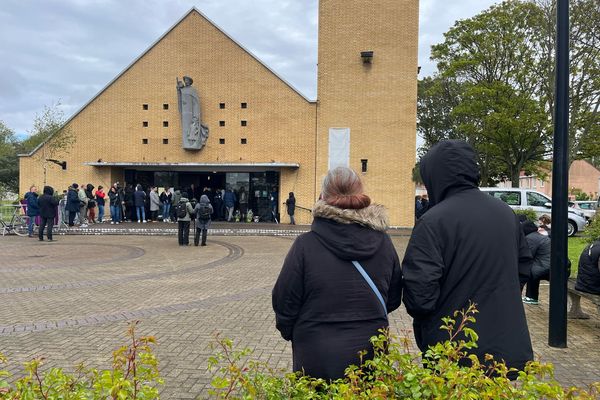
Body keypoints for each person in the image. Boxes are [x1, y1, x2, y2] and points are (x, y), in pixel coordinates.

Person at [401, 140, 533, 378]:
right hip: (504, 344)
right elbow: (524, 267)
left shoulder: (432, 222)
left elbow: (419, 295)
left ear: (435, 176)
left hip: (453, 347)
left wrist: (432, 322)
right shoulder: (506, 214)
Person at [272, 167, 403, 380]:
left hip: (315, 355)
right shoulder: (384, 243)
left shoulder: (305, 246)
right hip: (369, 352)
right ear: (361, 196)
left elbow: (284, 302)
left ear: (323, 197)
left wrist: (294, 333)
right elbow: (394, 297)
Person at [522, 220, 551, 305]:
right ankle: (531, 297)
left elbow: (527, 255)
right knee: (534, 270)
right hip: (553, 266)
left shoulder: (530, 238)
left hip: (547, 267)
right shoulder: (536, 236)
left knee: (532, 271)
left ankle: (531, 297)